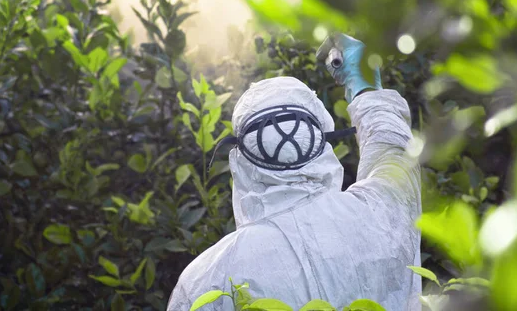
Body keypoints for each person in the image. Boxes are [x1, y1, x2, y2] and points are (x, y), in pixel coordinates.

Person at [167, 33, 422, 310]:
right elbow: (392, 151)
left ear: (241, 161)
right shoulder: (381, 213)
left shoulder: (206, 282)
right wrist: (363, 84)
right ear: (322, 142)